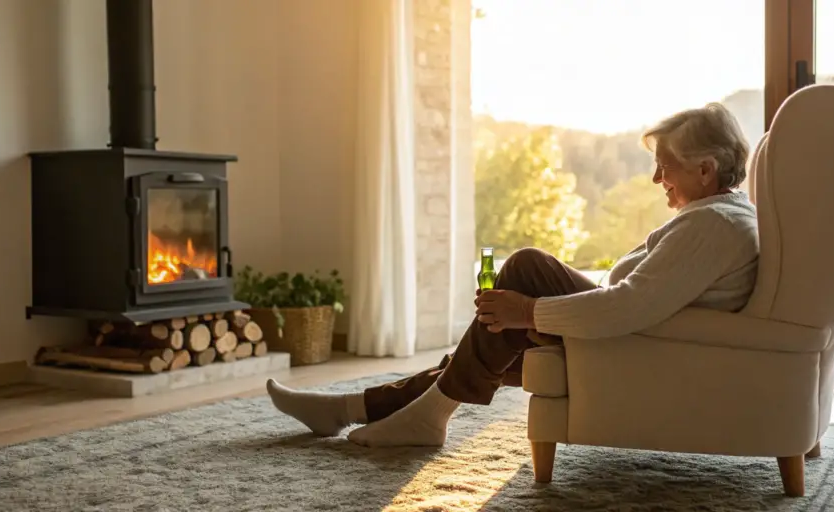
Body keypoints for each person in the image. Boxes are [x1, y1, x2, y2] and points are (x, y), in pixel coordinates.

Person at [265, 102, 759, 447]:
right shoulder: (720, 216)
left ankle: (421, 417)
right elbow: (644, 295)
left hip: (633, 343)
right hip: (636, 338)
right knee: (478, 353)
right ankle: (349, 409)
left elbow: (628, 305)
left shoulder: (714, 225)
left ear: (705, 169)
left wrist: (528, 309)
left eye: (665, 166)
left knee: (525, 268)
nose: (657, 179)